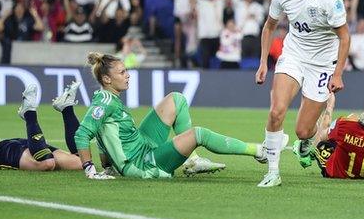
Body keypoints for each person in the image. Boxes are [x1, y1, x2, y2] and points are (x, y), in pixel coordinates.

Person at [74, 52, 266, 179]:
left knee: (176, 99)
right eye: (122, 72)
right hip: (144, 163)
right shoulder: (105, 103)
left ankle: (193, 160)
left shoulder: (108, 99)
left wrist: (108, 166)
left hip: (143, 145)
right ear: (107, 79)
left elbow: (103, 137)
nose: (128, 75)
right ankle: (259, 151)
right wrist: (90, 169)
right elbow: (82, 134)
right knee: (198, 134)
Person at [255, 0, 351, 187]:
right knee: (276, 111)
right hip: (294, 56)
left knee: (303, 131)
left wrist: (337, 74)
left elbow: (345, 36)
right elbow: (269, 26)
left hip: (321, 64)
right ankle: (273, 172)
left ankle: (308, 138)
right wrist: (263, 62)